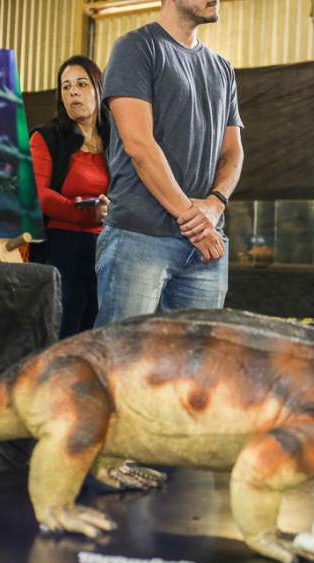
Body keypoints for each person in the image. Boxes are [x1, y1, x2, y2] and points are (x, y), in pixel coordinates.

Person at [94, 0, 244, 327]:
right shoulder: (136, 48)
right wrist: (192, 216)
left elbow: (233, 151)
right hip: (139, 236)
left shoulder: (222, 68)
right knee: (124, 359)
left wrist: (216, 206)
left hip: (205, 245)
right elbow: (139, 145)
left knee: (198, 362)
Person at [29, 55, 110, 339]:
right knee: (62, 335)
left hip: (110, 249)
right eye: (65, 87)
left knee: (99, 334)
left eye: (81, 84)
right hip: (63, 248)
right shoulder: (47, 137)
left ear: (99, 89)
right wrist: (84, 214)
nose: (72, 91)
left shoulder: (117, 140)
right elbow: (38, 195)